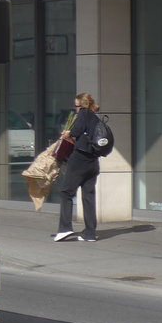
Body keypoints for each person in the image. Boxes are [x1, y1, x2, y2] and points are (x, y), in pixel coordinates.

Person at [54, 92, 102, 242]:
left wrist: (68, 133)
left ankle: (65, 228)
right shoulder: (96, 118)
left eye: (76, 106)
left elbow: (77, 131)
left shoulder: (83, 113)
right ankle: (90, 233)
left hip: (79, 160)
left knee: (66, 193)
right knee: (88, 196)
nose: (76, 109)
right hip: (93, 161)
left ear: (81, 105)